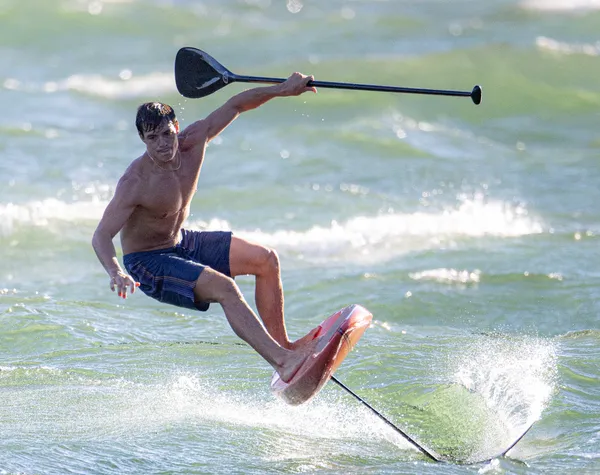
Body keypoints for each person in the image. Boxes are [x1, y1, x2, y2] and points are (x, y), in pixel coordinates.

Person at [92, 72, 325, 383]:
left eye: (166, 134)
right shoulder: (135, 182)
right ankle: (283, 362)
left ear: (176, 127)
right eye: (152, 138)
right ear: (142, 140)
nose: (163, 145)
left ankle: (285, 347)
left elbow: (237, 104)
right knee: (225, 289)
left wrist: (283, 90)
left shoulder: (195, 140)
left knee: (265, 260)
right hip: (148, 262)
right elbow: (101, 236)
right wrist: (116, 271)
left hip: (180, 241)